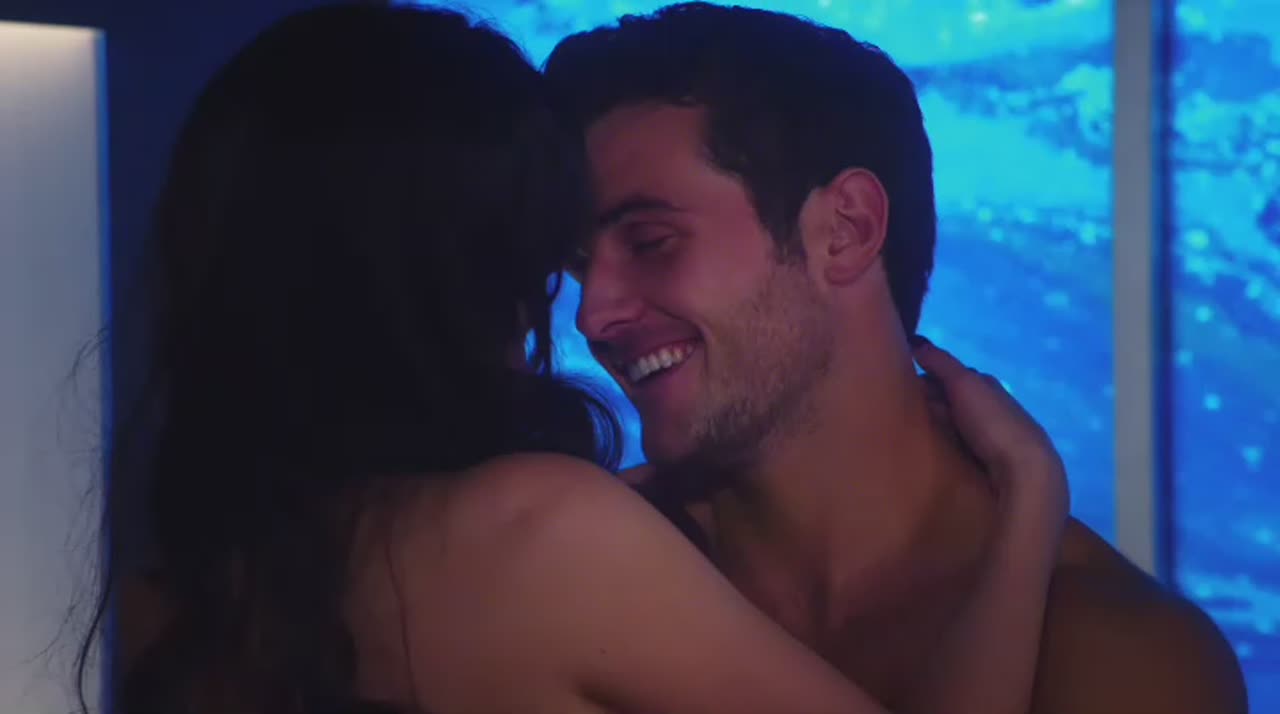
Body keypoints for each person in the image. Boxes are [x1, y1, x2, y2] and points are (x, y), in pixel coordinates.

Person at [80, 5, 1068, 714]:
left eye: (648, 242)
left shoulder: (181, 600)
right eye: (545, 254)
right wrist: (1029, 505)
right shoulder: (543, 537)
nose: (583, 315)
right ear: (446, 265)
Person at [545, 3, 1248, 713]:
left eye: (651, 243)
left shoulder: (1117, 654)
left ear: (846, 230)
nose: (593, 314)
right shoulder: (572, 581)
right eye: (577, 265)